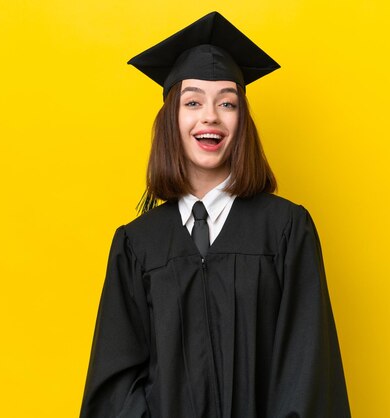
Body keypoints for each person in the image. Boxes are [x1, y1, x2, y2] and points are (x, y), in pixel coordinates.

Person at [79, 11, 351, 418]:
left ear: (242, 121)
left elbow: (306, 369)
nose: (210, 116)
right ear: (172, 117)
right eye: (193, 102)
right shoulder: (137, 244)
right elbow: (115, 382)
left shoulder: (285, 230)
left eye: (227, 102)